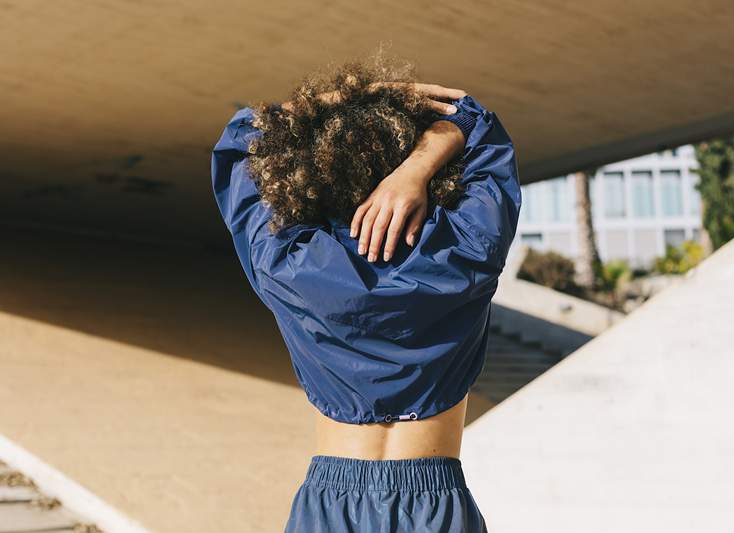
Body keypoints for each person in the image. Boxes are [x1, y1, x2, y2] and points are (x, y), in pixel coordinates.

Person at [210, 52, 521, 532]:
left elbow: (243, 136)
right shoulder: (466, 250)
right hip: (437, 507)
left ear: (315, 171)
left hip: (329, 506)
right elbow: (478, 126)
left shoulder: (288, 264)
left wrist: (366, 95)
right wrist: (415, 170)